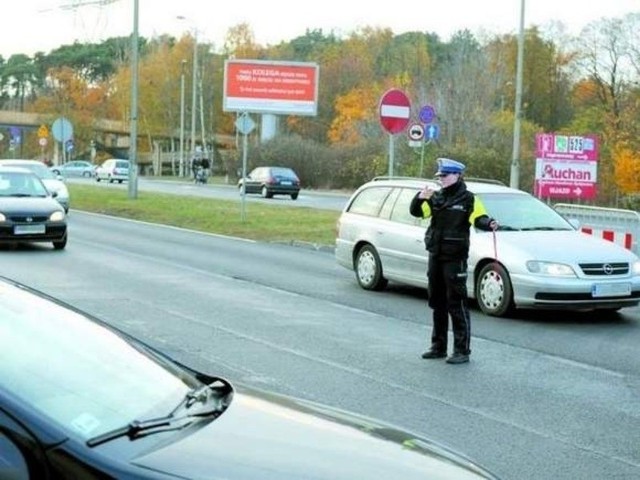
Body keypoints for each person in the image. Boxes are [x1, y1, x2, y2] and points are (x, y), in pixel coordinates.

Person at [409, 158, 497, 365]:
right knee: (437, 301)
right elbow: (418, 213)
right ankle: (438, 346)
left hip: (455, 257)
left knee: (456, 303)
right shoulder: (436, 198)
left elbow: (479, 218)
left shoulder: (469, 199)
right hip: (436, 254)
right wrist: (420, 198)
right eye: (440, 176)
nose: (442, 180)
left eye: (445, 176)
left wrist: (489, 223)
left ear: (457, 176)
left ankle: (461, 350)